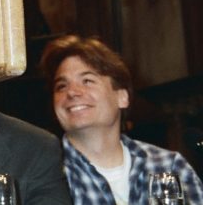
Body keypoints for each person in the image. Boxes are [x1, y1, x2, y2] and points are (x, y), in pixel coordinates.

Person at [40, 34, 203, 204]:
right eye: (61, 86)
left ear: (122, 97)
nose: (72, 92)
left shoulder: (168, 165)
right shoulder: (45, 173)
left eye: (87, 81)